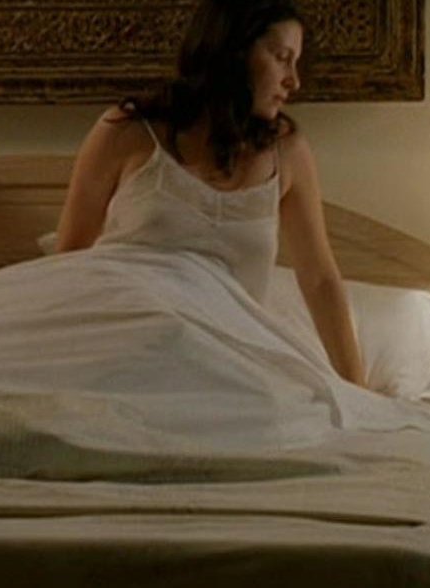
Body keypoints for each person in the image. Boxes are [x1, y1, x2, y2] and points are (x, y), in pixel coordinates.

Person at [55, 0, 368, 388]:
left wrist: (359, 389)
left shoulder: (287, 152)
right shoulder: (127, 132)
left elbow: (320, 279)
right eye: (282, 58)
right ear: (234, 51)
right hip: (130, 343)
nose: (293, 81)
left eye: (296, 63)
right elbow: (70, 258)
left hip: (230, 357)